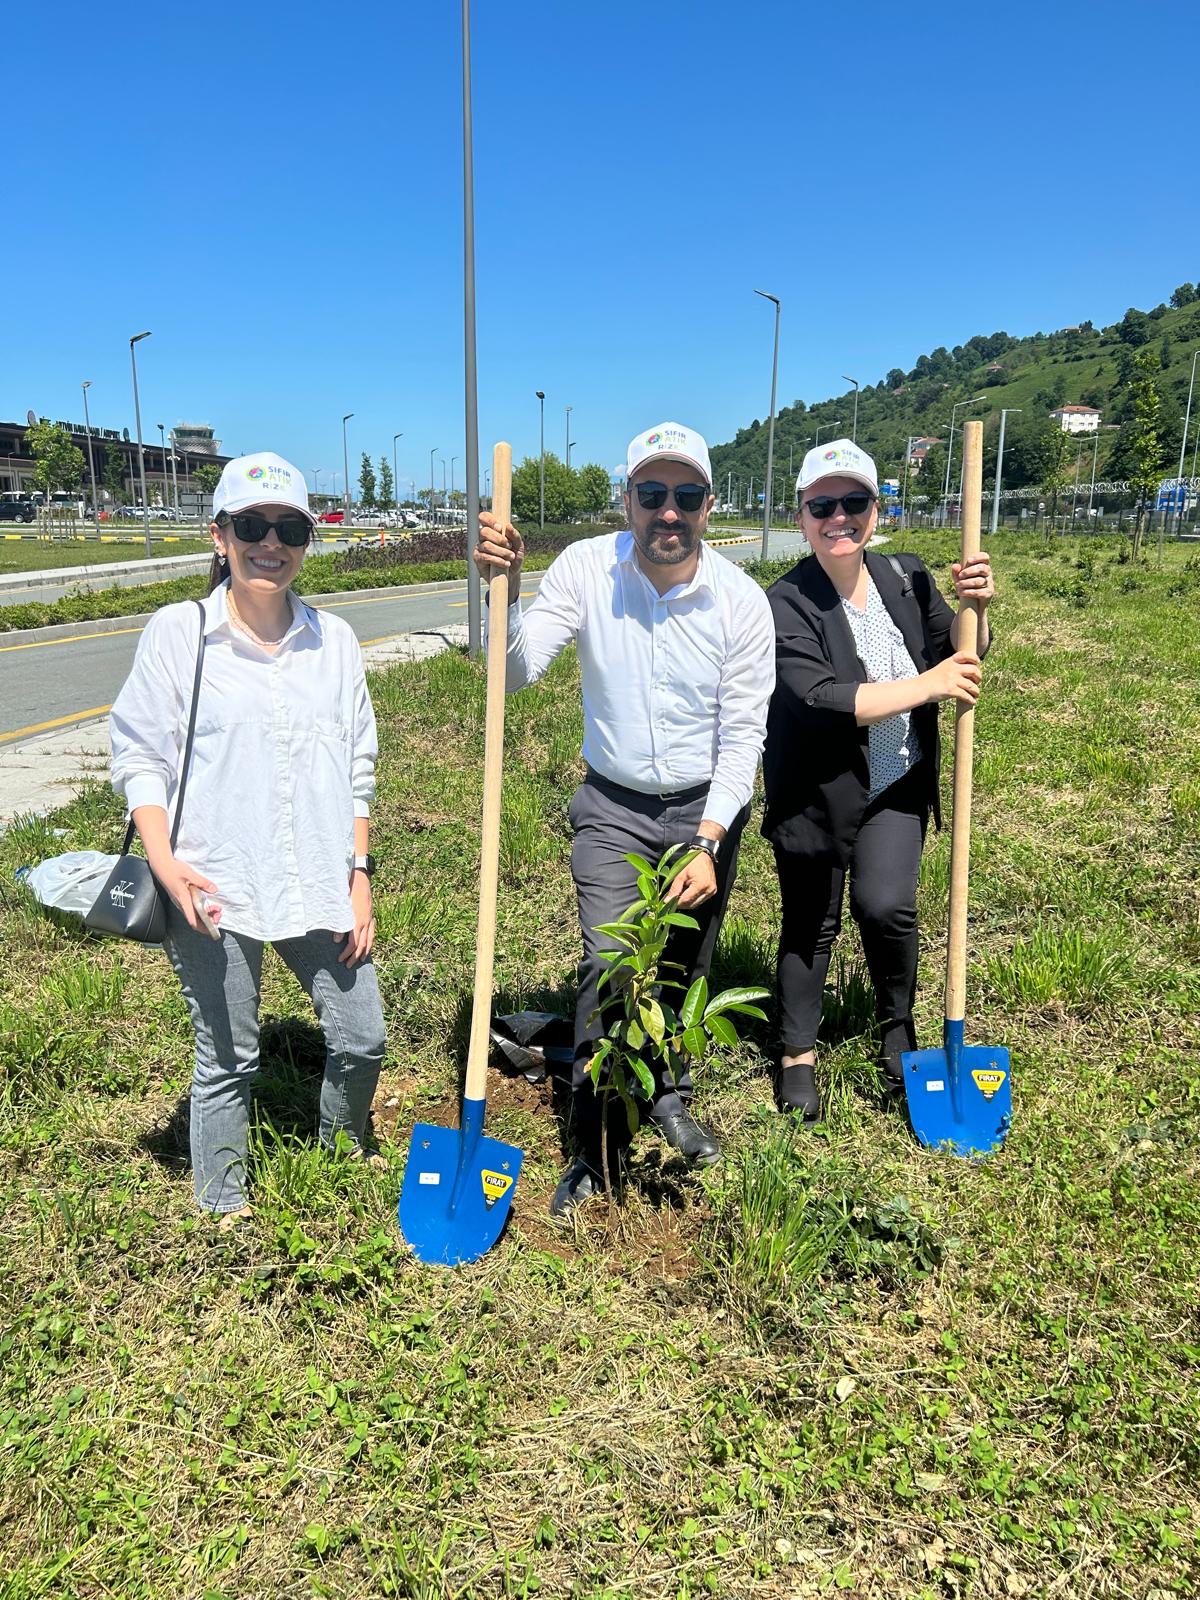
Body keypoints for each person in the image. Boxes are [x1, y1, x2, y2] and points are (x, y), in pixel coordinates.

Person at [474, 422, 775, 1217]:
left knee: (679, 968)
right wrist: (496, 592)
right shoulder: (585, 569)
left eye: (683, 497)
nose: (666, 513)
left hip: (705, 811)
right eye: (651, 495)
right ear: (628, 502)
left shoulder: (740, 602)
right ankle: (593, 1147)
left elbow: (746, 733)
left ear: (709, 507)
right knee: (610, 966)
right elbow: (515, 671)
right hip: (611, 805)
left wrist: (709, 841)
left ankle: (667, 1096)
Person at [110, 452, 385, 1226]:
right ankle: (223, 1209)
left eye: (289, 527)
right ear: (220, 534)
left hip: (319, 880)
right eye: (251, 526)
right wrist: (165, 866)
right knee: (227, 1057)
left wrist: (359, 872)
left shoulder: (334, 642)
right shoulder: (181, 634)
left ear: (309, 537)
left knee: (363, 1037)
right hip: (213, 882)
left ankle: (340, 1153)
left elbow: (358, 760)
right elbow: (140, 756)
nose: (271, 543)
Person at [761, 438, 994, 1120]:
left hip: (896, 782)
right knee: (811, 923)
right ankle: (797, 1054)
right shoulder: (787, 600)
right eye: (822, 505)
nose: (840, 517)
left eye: (854, 502)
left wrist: (979, 607)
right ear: (801, 515)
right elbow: (821, 696)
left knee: (886, 907)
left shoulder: (906, 576)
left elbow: (965, 650)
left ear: (875, 509)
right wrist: (929, 684)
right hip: (816, 791)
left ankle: (898, 1026)